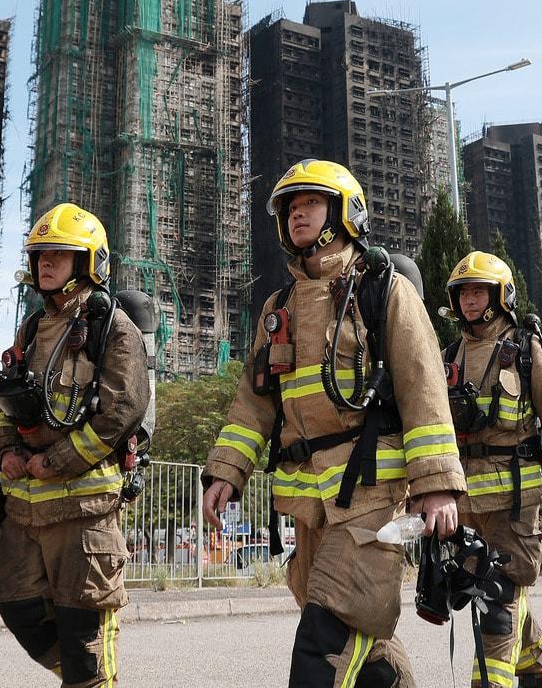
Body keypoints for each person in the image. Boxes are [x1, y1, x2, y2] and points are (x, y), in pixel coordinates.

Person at [201, 159, 466, 687]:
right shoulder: (278, 308)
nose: (297, 214)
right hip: (309, 506)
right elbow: (255, 404)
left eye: (311, 203)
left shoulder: (384, 291)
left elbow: (424, 390)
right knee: (364, 650)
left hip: (371, 500)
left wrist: (436, 485)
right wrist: (226, 471)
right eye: (290, 208)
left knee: (322, 645)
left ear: (346, 213)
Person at [0, 203, 150, 688]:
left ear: (89, 262)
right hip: (24, 511)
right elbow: (2, 400)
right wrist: (5, 451)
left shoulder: (113, 328)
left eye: (60, 253)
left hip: (84, 511)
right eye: (40, 254)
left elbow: (120, 412)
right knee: (15, 606)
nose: (47, 262)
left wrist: (55, 461)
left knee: (83, 638)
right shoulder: (32, 329)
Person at [442, 251, 542, 687]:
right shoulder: (449, 355)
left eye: (479, 291)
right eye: (463, 293)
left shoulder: (525, 348)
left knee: (500, 588)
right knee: (486, 587)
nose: (470, 300)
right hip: (467, 498)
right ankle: (539, 664)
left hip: (514, 494)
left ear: (500, 296)